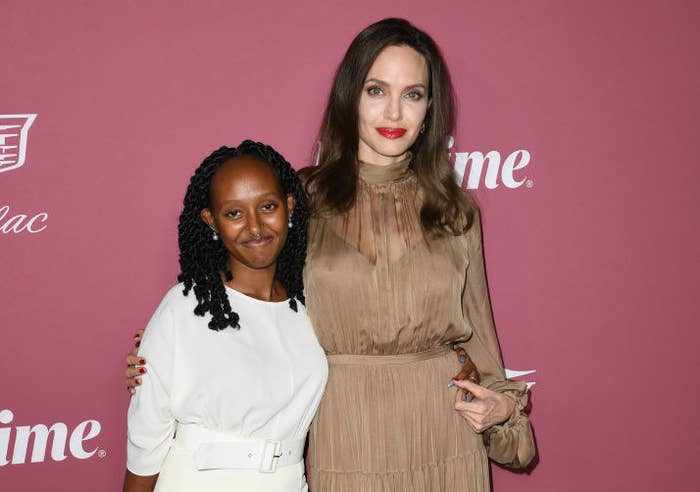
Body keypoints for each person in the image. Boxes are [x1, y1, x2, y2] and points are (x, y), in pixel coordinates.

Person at [127, 18, 535, 491]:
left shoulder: (454, 210)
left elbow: (480, 336)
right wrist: (157, 359)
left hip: (442, 434)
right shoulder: (302, 199)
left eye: (414, 94)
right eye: (377, 90)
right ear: (350, 97)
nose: (396, 112)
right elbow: (240, 301)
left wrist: (503, 409)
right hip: (344, 433)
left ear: (430, 109)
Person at [123, 141, 328, 492]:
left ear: (289, 207)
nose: (254, 227)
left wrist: (458, 353)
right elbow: (146, 441)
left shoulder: (315, 306)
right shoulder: (183, 307)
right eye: (234, 213)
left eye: (267, 206)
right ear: (211, 219)